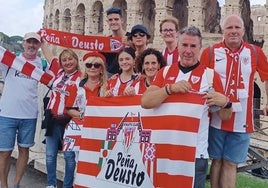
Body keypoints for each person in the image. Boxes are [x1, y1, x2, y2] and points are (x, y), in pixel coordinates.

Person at [141, 26, 233, 188]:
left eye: (193, 46)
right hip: (163, 150)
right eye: (184, 45)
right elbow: (146, 102)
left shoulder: (210, 76)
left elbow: (225, 117)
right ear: (178, 46)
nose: (188, 50)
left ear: (200, 48)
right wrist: (170, 89)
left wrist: (226, 103)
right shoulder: (164, 72)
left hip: (194, 154)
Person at [200, 14, 268, 188]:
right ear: (222, 30)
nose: (233, 31)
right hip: (217, 117)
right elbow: (200, 80)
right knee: (216, 161)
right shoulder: (210, 52)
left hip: (242, 120)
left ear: (244, 30)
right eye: (229, 27)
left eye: (237, 27)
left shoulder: (255, 52)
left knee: (231, 163)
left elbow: (266, 77)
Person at [0, 32, 42, 188]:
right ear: (23, 43)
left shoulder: (41, 65)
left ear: (39, 45)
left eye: (35, 42)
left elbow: (55, 67)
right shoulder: (11, 61)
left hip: (29, 115)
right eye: (29, 42)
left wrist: (46, 43)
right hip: (7, 114)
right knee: (4, 152)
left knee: (24, 150)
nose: (32, 45)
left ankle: (16, 183)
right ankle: (4, 185)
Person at [41, 44, 81, 188]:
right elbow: (49, 57)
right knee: (50, 155)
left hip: (69, 121)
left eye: (70, 59)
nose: (67, 62)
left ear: (76, 60)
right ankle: (51, 184)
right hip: (53, 119)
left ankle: (67, 186)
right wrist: (43, 40)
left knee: (69, 157)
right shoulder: (58, 73)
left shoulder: (82, 78)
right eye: (64, 60)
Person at [66, 51, 108, 119]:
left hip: (101, 123)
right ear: (85, 68)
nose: (92, 68)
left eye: (96, 65)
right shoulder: (77, 85)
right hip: (82, 124)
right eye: (89, 65)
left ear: (101, 69)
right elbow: (70, 109)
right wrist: (82, 115)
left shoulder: (109, 85)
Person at [102, 6, 127, 77]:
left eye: (116, 19)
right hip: (110, 79)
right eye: (110, 20)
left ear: (122, 20)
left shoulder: (131, 38)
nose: (113, 22)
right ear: (107, 22)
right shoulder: (105, 42)